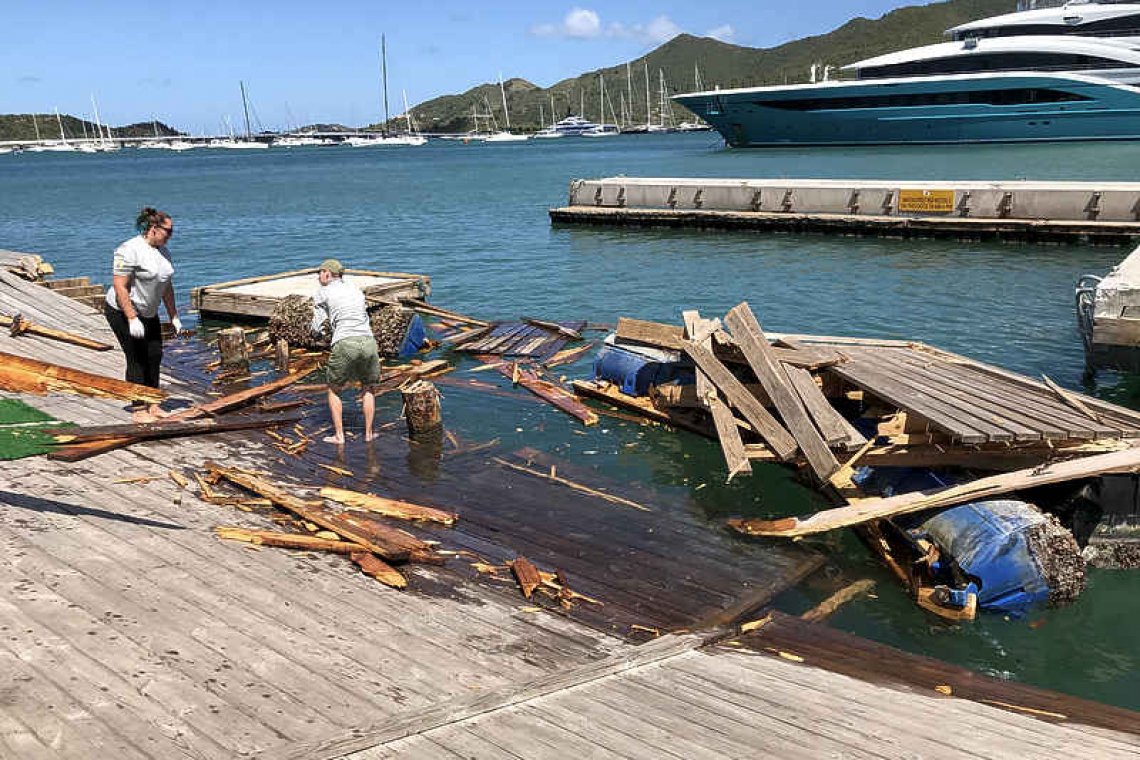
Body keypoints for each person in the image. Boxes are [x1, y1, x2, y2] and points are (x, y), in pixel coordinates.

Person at [104, 206, 182, 422]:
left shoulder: (163, 250)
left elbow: (166, 285)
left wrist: (173, 316)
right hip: (122, 310)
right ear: (153, 228)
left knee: (155, 354)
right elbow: (120, 286)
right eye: (169, 231)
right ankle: (138, 409)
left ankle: (154, 403)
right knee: (137, 358)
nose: (171, 235)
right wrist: (131, 317)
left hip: (148, 311)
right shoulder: (129, 249)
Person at [310, 258, 380, 444]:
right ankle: (368, 434)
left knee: (333, 389)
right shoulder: (354, 289)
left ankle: (339, 436)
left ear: (327, 274)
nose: (318, 276)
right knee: (368, 387)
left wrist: (316, 335)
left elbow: (317, 326)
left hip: (345, 341)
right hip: (368, 341)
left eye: (320, 272)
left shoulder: (322, 292)